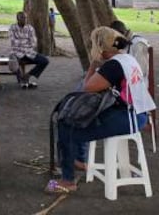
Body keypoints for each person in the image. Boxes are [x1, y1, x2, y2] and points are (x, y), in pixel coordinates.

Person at [45, 26, 155, 194]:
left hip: (127, 117)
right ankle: (79, 161)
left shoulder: (113, 66)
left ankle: (67, 180)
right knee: (82, 118)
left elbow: (87, 87)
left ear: (101, 47)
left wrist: (94, 64)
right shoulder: (127, 58)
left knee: (67, 126)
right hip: (138, 114)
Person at [8, 11, 49, 88]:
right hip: (16, 52)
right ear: (17, 18)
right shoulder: (12, 28)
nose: (24, 19)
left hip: (29, 53)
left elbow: (33, 42)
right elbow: (12, 42)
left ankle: (28, 75)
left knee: (45, 61)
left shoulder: (30, 28)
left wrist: (20, 42)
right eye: (22, 18)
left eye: (26, 18)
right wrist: (26, 42)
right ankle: (21, 80)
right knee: (13, 62)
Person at [110, 19, 150, 85]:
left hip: (138, 85)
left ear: (121, 33)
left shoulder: (138, 43)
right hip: (127, 81)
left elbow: (142, 70)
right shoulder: (124, 41)